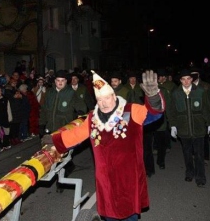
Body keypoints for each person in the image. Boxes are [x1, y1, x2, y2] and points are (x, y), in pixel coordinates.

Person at [41, 70, 165, 221]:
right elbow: (76, 135)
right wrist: (53, 140)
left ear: (113, 95)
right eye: (99, 99)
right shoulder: (93, 117)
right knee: (109, 213)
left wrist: (153, 97)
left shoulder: (131, 110)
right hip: (106, 180)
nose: (103, 103)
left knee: (129, 214)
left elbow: (154, 113)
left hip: (128, 178)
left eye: (106, 98)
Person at [169, 69, 210, 187]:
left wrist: (209, 123)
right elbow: (172, 111)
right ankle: (189, 172)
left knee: (199, 154)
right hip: (183, 129)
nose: (186, 81)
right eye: (183, 79)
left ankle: (200, 177)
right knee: (187, 153)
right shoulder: (175, 93)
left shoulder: (201, 91)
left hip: (199, 128)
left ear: (192, 79)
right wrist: (172, 125)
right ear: (180, 80)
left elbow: (206, 109)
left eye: (188, 79)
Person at [190, 67, 210, 166]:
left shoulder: (206, 86)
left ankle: (206, 156)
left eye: (195, 74)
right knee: (193, 136)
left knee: (205, 137)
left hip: (204, 115)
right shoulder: (188, 86)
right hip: (193, 115)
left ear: (199, 74)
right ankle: (194, 154)